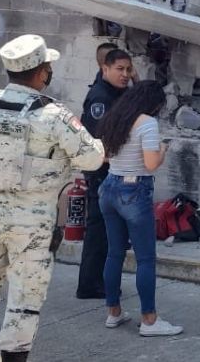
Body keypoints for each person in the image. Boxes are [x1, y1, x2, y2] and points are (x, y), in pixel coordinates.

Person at [0, 35, 105, 362]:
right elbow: (92, 159)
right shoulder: (52, 115)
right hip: (31, 222)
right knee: (25, 295)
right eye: (47, 66)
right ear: (41, 73)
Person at [95, 80, 183, 337]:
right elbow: (152, 163)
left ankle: (113, 312)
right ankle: (149, 320)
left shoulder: (116, 117)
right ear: (154, 103)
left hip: (109, 187)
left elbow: (104, 156)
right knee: (145, 259)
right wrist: (163, 149)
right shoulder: (148, 123)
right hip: (134, 191)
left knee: (114, 253)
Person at [76, 48, 134, 300]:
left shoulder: (118, 92)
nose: (125, 75)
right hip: (101, 172)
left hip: (113, 171)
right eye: (119, 69)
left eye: (128, 69)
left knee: (110, 231)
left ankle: (99, 281)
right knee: (99, 230)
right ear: (105, 69)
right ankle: (90, 284)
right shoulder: (100, 98)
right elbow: (97, 140)